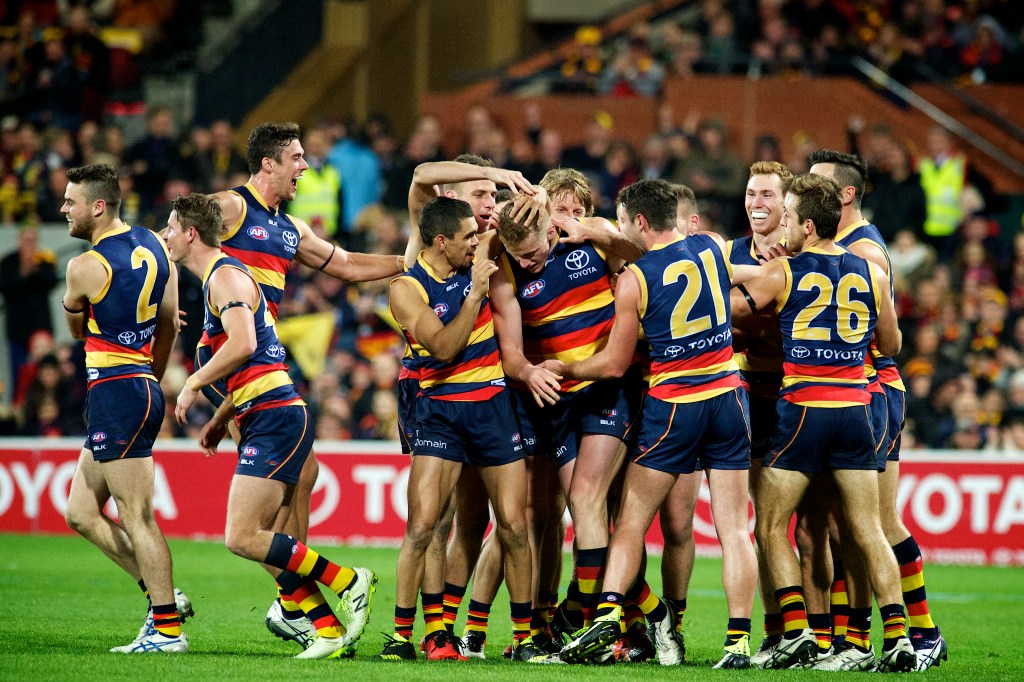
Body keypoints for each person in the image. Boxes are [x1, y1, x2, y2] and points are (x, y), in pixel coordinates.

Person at [198, 122, 404, 652]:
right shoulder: (230, 207)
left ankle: (295, 603)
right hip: (238, 363)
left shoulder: (290, 229)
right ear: (267, 164)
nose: (305, 167)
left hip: (262, 363)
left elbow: (352, 266)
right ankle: (305, 601)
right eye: (296, 157)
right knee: (255, 520)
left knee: (305, 474)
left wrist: (409, 264)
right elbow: (179, 237)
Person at [547, 178, 757, 669]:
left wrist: (568, 367)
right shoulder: (711, 247)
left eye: (624, 221)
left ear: (639, 222)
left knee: (631, 523)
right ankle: (738, 643)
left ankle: (605, 619)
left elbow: (614, 365)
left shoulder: (635, 279)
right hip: (729, 397)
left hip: (675, 404)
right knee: (734, 531)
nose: (621, 229)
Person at [166, 192, 377, 660]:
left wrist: (193, 384)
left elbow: (241, 345)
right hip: (263, 412)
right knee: (266, 539)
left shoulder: (224, 278)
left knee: (244, 536)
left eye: (171, 227)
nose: (166, 236)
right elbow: (254, 356)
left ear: (191, 233)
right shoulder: (221, 279)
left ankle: (349, 580)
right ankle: (324, 630)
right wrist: (222, 416)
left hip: (274, 416)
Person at [732, 173, 915, 673]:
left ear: (808, 225)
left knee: (770, 526)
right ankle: (892, 639)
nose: (783, 226)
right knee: (866, 528)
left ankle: (795, 633)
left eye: (788, 217)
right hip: (857, 410)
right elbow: (893, 345)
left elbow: (724, 312)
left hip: (803, 412)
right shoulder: (872, 273)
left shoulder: (784, 272)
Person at [809, 149, 946, 671]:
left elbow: (888, 342)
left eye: (817, 183)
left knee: (877, 521)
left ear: (844, 194)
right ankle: (859, 637)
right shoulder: (842, 241)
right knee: (853, 522)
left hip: (873, 390)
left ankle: (916, 633)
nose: (806, 187)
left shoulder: (864, 252)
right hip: (859, 390)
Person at [380, 196, 533, 661]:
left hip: (492, 406)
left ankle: (524, 639)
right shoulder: (406, 289)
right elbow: (444, 347)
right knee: (423, 526)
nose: (477, 241)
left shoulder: (478, 254)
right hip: (440, 411)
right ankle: (407, 637)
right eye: (468, 235)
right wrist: (474, 295)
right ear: (440, 241)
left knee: (513, 526)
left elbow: (517, 227)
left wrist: (533, 199)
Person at [59, 163, 188, 653]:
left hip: (115, 389)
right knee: (80, 512)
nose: (63, 210)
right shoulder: (157, 245)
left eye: (70, 202)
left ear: (97, 206)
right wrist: (151, 377)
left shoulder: (83, 266)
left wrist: (133, 380)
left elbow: (76, 331)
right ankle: (164, 596)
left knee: (138, 515)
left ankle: (167, 629)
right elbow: (171, 322)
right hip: (140, 382)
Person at [723, 161, 793, 665]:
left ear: (786, 203)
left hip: (797, 397)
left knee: (804, 527)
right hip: (750, 395)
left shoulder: (806, 251)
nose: (756, 202)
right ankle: (775, 632)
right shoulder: (729, 251)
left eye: (767, 193)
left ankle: (826, 630)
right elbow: (725, 319)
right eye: (751, 194)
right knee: (762, 522)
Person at [0, 226, 58, 389]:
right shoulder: (9, 261)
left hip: (41, 330)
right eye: (26, 240)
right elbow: (5, 288)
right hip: (18, 329)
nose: (29, 244)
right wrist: (24, 272)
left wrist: (35, 269)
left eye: (32, 240)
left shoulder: (44, 260)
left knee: (45, 372)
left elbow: (52, 282)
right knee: (19, 374)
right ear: (19, 240)